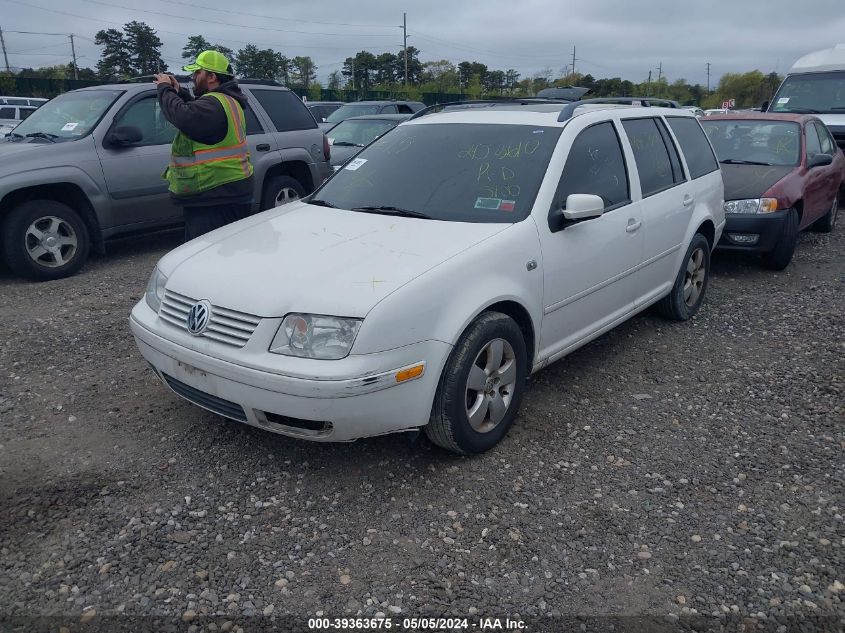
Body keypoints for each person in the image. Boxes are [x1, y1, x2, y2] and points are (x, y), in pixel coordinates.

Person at [154, 50, 254, 241]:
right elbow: (197, 113)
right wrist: (181, 93)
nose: (193, 78)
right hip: (227, 191)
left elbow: (184, 117)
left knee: (208, 258)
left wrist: (165, 89)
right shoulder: (226, 101)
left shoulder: (214, 104)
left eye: (197, 73)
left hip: (215, 195)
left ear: (212, 77)